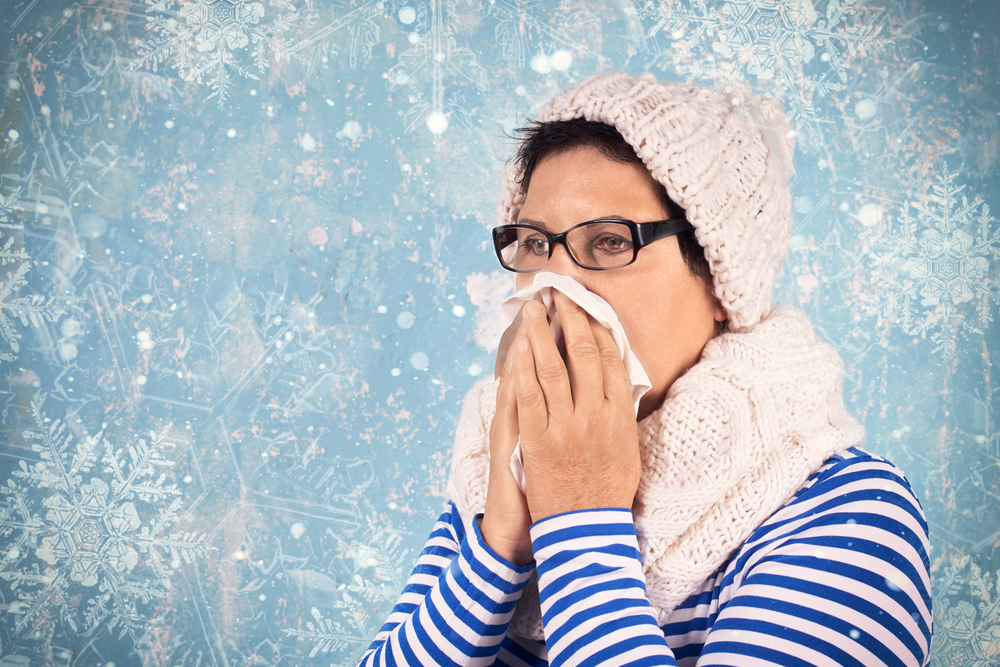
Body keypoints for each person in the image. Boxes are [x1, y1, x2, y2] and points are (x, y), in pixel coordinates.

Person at [357, 72, 932, 666]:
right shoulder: (494, 466)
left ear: (718, 280)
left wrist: (579, 513)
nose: (556, 289)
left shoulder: (849, 515)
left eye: (608, 242)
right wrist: (498, 545)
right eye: (534, 244)